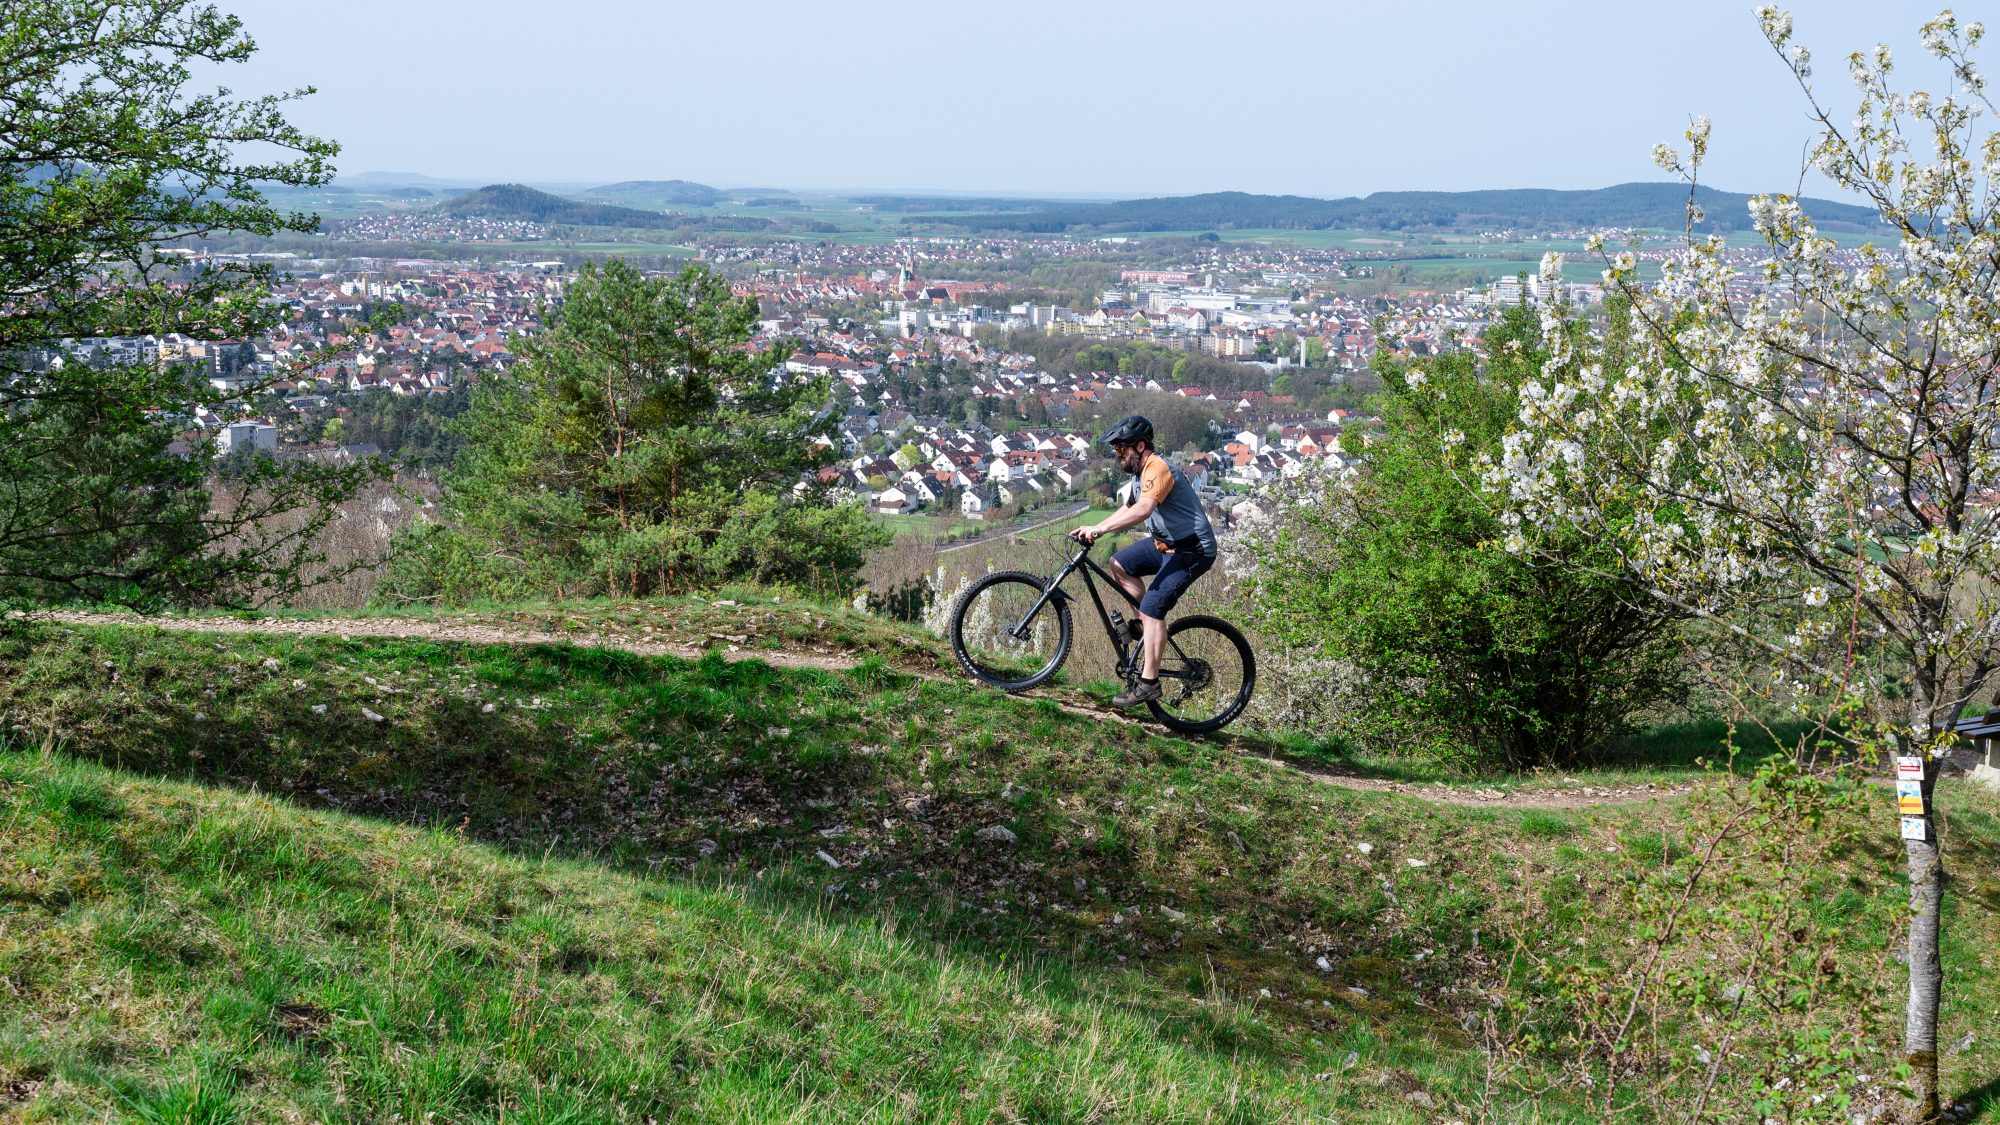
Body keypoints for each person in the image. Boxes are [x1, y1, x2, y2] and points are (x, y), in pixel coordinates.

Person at [1069, 414, 1218, 706]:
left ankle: (1149, 683)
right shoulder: (1140, 475)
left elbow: (1144, 511)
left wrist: (1100, 530)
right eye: (1116, 450)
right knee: (1119, 564)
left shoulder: (1158, 467)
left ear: (1139, 446)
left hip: (1192, 550)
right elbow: (1128, 509)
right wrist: (1093, 529)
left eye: (1121, 449)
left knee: (1152, 610)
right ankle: (1144, 625)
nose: (1117, 455)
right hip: (1166, 546)